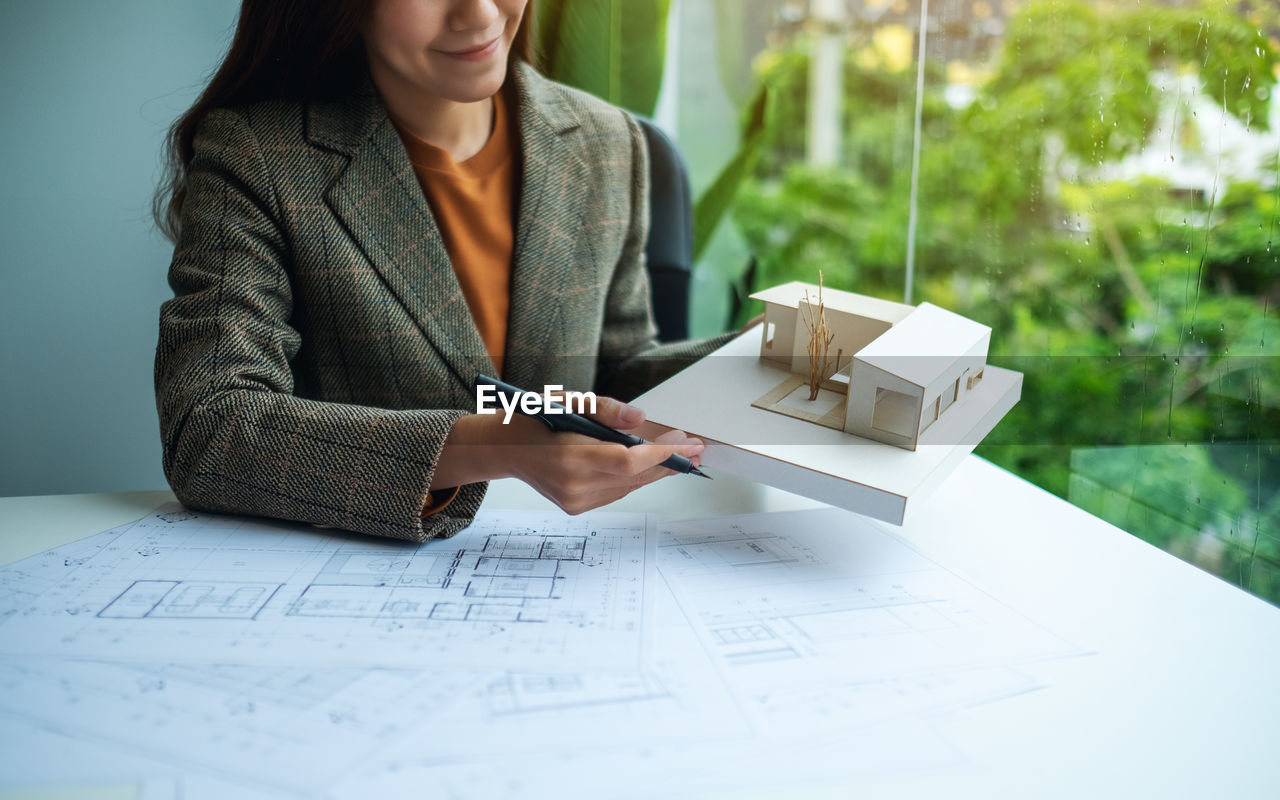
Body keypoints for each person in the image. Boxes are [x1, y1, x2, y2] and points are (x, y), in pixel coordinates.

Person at [154, 0, 732, 542]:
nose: (479, 14)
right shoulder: (259, 153)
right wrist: (498, 445)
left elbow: (613, 379)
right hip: (369, 570)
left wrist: (776, 361)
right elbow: (208, 429)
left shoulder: (608, 142)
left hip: (578, 561)